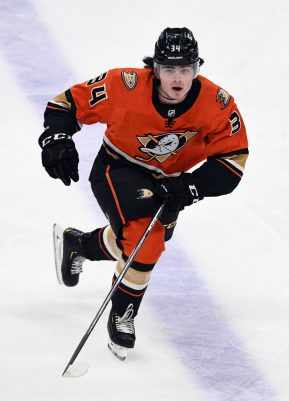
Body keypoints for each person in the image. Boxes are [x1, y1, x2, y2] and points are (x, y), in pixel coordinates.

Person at [39, 27, 249, 360]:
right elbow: (66, 104)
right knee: (145, 243)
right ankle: (123, 315)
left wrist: (189, 186)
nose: (177, 79)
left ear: (197, 69)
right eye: (169, 69)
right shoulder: (124, 85)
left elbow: (232, 162)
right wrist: (57, 138)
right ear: (155, 68)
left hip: (170, 185)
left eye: (185, 69)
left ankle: (79, 244)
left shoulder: (217, 104)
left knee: (136, 243)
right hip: (118, 168)